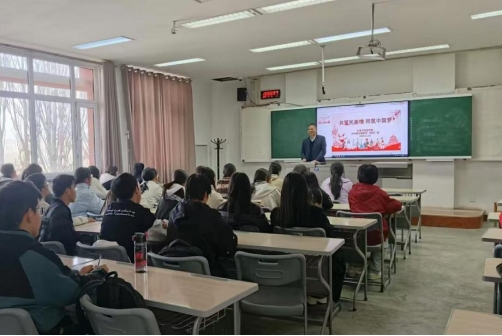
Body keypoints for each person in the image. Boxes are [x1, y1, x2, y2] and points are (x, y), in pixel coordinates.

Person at [0, 181, 108, 334]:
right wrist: (98, 274)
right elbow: (71, 293)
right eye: (38, 210)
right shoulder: (32, 256)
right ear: (29, 214)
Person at [270, 172, 346, 305]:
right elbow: (332, 237)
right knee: (339, 255)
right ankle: (322, 293)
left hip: (287, 265)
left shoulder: (277, 214)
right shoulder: (315, 213)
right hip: (317, 266)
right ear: (305, 190)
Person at [169, 174, 237, 277]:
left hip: (176, 273)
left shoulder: (174, 212)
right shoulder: (212, 216)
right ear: (205, 194)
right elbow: (228, 246)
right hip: (207, 274)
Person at [349, 164, 402, 280]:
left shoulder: (352, 191)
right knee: (384, 241)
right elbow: (396, 206)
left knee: (360, 238)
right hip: (376, 236)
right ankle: (374, 270)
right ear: (375, 177)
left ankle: (355, 267)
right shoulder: (379, 192)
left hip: (356, 236)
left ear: (359, 176)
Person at [100, 173, 156, 261]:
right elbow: (159, 231)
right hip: (133, 264)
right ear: (137, 189)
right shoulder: (140, 212)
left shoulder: (109, 208)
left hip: (107, 262)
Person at [39, 175, 88, 255]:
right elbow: (68, 241)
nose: (75, 191)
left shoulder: (52, 207)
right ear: (67, 191)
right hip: (65, 257)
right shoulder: (61, 211)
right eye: (74, 187)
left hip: (51, 255)